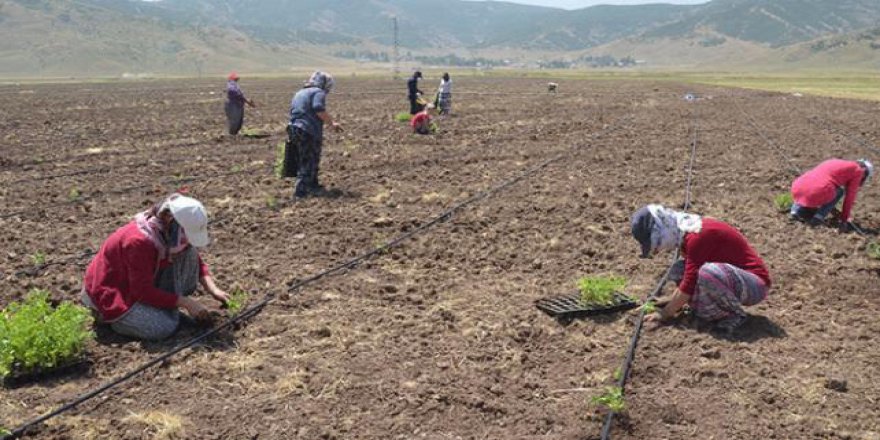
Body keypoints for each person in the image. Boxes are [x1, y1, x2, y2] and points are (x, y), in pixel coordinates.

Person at [81, 194, 230, 341]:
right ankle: (113, 321)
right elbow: (141, 291)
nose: (187, 241)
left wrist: (213, 289)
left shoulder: (166, 234)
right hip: (114, 293)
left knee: (189, 251)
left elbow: (196, 259)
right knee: (162, 327)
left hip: (139, 283)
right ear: (169, 219)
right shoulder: (139, 242)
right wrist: (185, 302)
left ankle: (163, 307)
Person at [631, 204, 772, 333]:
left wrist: (664, 313)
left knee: (706, 273)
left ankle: (733, 315)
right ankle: (702, 309)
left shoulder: (696, 236)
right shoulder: (688, 233)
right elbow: (688, 277)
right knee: (678, 269)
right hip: (734, 279)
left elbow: (689, 284)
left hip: (756, 285)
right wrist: (671, 300)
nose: (657, 248)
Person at [288, 71, 342, 199]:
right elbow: (318, 108)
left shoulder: (300, 92)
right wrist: (332, 123)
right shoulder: (318, 92)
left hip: (294, 128)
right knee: (309, 160)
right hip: (307, 129)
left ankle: (312, 185)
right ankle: (301, 192)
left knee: (303, 158)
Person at [789, 158, 873, 231]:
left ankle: (795, 210)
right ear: (865, 172)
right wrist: (844, 220)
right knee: (839, 191)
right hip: (816, 191)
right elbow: (849, 198)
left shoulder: (834, 161)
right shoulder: (858, 171)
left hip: (798, 186)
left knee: (811, 185)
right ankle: (818, 218)